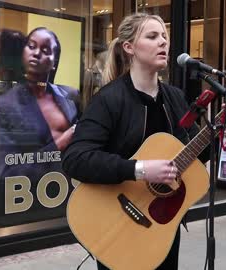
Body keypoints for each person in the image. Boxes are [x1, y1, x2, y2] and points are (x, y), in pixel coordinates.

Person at [62, 14, 209, 270]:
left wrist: (218, 131)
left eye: (164, 36)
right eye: (152, 36)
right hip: (118, 221)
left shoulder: (174, 98)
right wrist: (139, 169)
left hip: (162, 222)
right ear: (129, 47)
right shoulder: (109, 100)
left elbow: (196, 156)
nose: (163, 42)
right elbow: (75, 159)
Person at [0, 27, 79, 183]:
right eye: (32, 46)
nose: (36, 53)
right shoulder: (6, 104)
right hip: (30, 194)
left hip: (71, 186)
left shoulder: (71, 95)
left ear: (54, 62)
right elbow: (6, 173)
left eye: (46, 49)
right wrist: (60, 143)